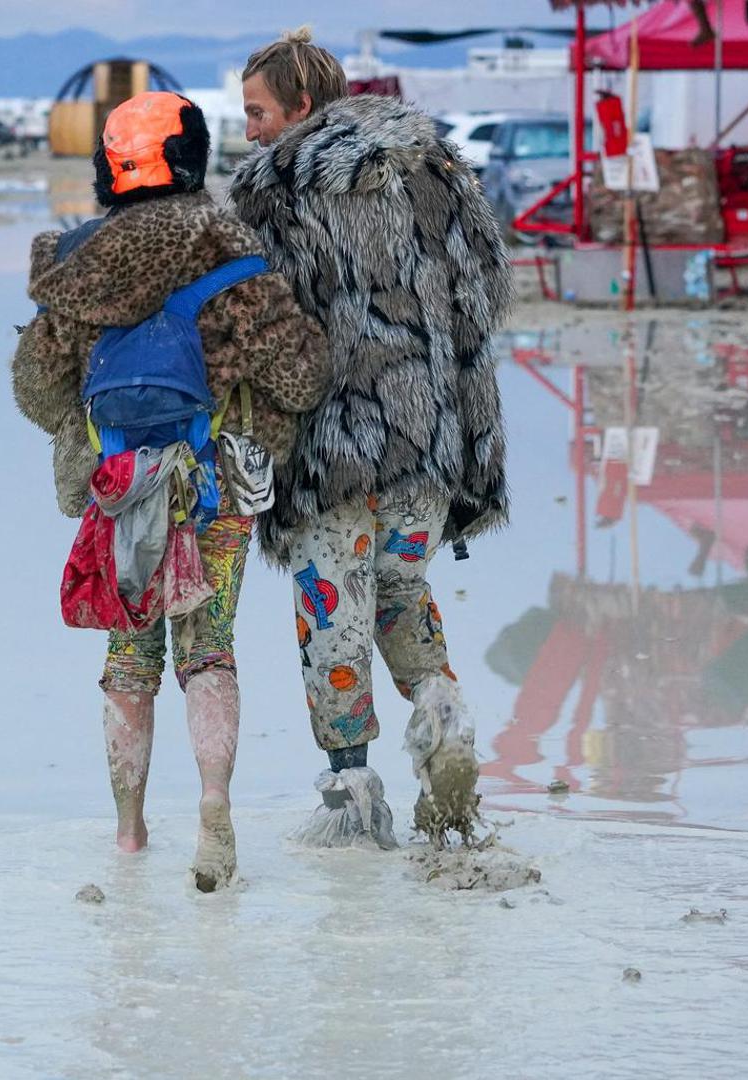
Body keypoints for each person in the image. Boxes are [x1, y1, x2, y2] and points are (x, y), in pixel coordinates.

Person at [13, 91, 329, 890]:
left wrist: (99, 438)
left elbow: (36, 390)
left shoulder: (75, 262)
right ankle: (215, 806)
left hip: (115, 488)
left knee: (129, 658)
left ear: (109, 166)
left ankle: (127, 834)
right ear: (189, 158)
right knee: (209, 647)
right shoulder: (230, 249)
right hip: (213, 483)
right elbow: (300, 373)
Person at [230, 29, 514, 843]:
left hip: (333, 446)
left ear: (301, 107)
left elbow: (263, 333)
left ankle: (352, 794)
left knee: (333, 613)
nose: (248, 130)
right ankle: (445, 718)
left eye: (256, 112)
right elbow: (487, 293)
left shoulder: (277, 189)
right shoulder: (439, 169)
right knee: (399, 592)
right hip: (433, 437)